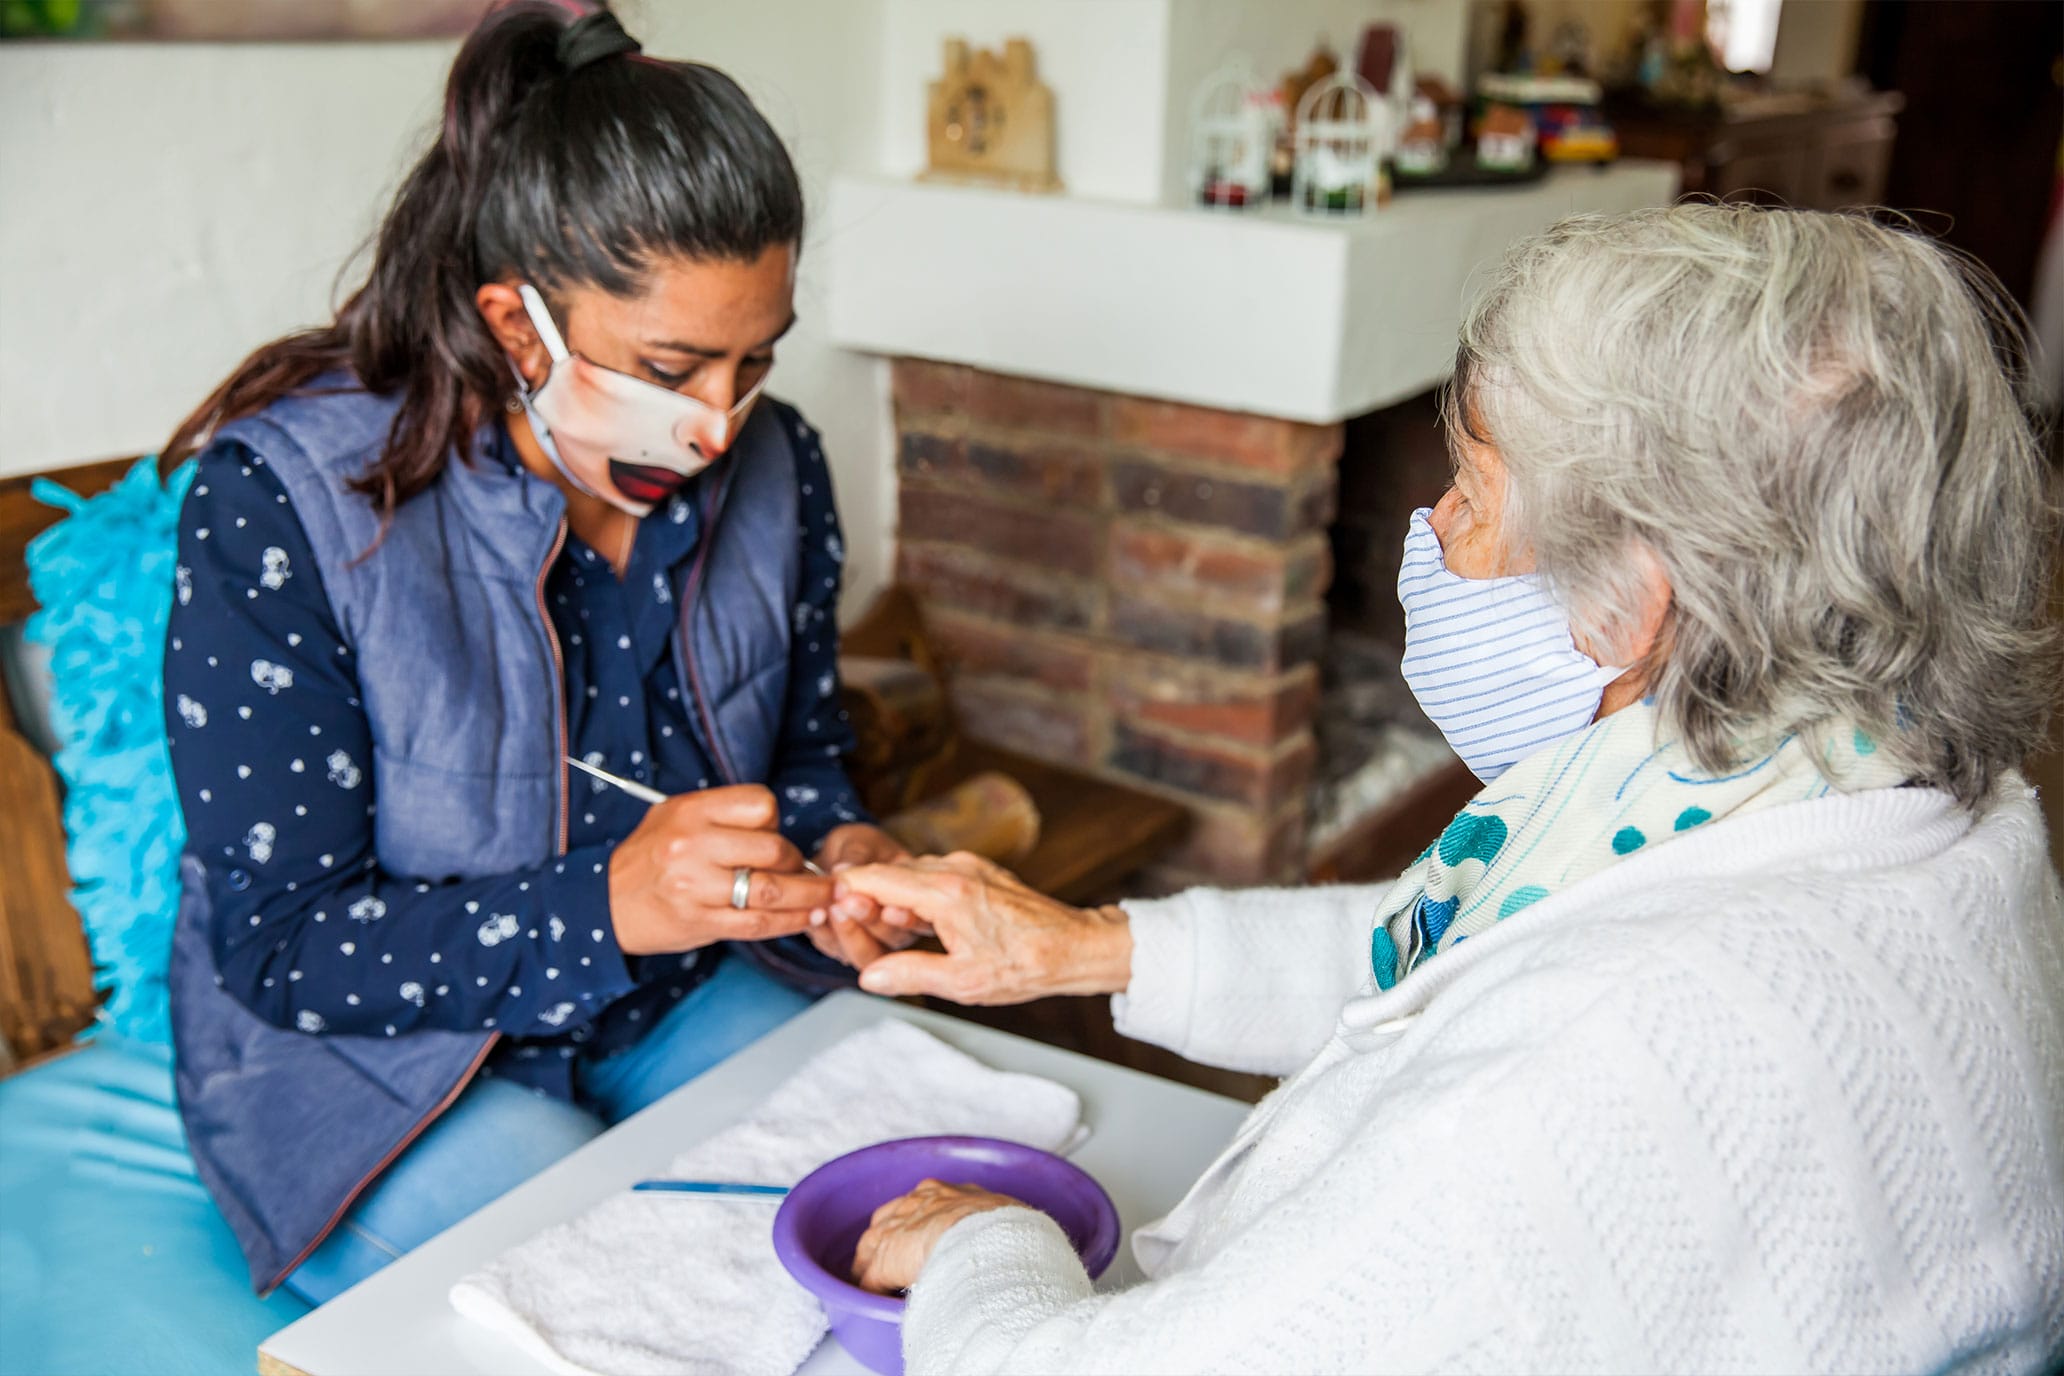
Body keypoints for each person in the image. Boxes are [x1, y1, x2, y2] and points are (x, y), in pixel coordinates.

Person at [833, 205, 2064, 1372]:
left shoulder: (1609, 1055)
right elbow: (1441, 963)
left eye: (1473, 491)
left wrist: (978, 1245)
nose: (1431, 523)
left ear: (1636, 603)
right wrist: (1083, 948)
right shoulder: (1901, 802)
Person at [161, 2, 913, 1302]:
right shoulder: (282, 506)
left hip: (673, 993)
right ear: (520, 328)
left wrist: (846, 852)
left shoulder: (779, 468)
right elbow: (283, 950)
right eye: (675, 367)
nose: (725, 424)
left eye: (755, 363)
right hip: (381, 1064)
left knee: (899, 1222)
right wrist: (611, 903)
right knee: (637, 1293)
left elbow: (804, 759)